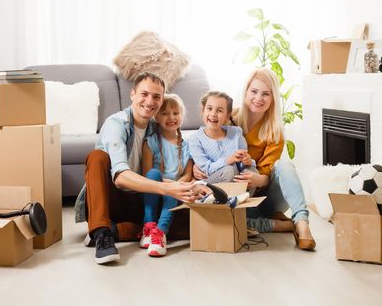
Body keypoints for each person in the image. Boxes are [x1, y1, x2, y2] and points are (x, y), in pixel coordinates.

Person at [79, 72, 198, 265]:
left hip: (144, 201)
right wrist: (167, 188)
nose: (150, 101)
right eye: (144, 94)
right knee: (97, 157)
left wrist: (195, 174)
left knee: (195, 223)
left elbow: (180, 148)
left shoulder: (157, 126)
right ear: (133, 94)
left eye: (157, 97)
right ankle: (102, 232)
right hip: (112, 199)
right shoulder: (116, 124)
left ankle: (118, 230)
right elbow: (119, 177)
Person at [194, 68, 316, 251]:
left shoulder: (275, 132)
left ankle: (301, 223)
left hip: (265, 195)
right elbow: (204, 140)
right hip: (237, 194)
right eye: (254, 91)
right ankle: (277, 225)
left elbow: (268, 174)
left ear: (273, 98)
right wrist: (194, 166)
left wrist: (259, 179)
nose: (258, 98)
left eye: (265, 94)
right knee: (231, 219)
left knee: (284, 165)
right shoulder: (228, 116)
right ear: (246, 92)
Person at [139, 94, 193, 257]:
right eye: (165, 113)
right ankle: (148, 227)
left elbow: (188, 174)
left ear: (182, 116)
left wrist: (174, 185)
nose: (171, 117)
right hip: (154, 186)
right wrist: (164, 184)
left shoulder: (187, 145)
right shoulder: (152, 141)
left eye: (175, 113)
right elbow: (146, 174)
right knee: (154, 173)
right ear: (156, 116)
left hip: (174, 189)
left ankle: (160, 233)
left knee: (173, 190)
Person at [188, 91, 257, 185]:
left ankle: (242, 198)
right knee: (229, 171)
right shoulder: (195, 139)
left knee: (251, 172)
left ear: (227, 116)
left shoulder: (236, 133)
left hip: (235, 181)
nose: (213, 114)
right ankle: (226, 198)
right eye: (209, 109)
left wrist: (248, 161)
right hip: (211, 184)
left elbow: (244, 163)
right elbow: (206, 169)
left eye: (219, 110)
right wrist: (228, 160)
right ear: (203, 110)